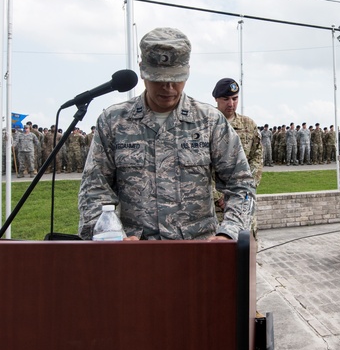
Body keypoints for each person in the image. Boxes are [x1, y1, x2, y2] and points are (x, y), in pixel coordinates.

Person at [78, 27, 255, 241]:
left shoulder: (209, 121)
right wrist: (110, 237)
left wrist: (230, 232)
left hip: (197, 253)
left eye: (176, 78)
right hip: (135, 254)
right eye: (159, 79)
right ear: (143, 70)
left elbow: (241, 183)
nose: (168, 87)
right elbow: (94, 189)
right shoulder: (114, 122)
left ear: (187, 71)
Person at [211, 77, 263, 232]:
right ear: (216, 99)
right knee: (219, 248)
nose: (231, 104)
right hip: (216, 206)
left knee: (246, 247)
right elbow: (201, 167)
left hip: (243, 201)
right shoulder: (207, 125)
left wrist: (246, 189)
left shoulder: (248, 125)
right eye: (226, 99)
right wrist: (217, 196)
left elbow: (257, 157)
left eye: (234, 99)